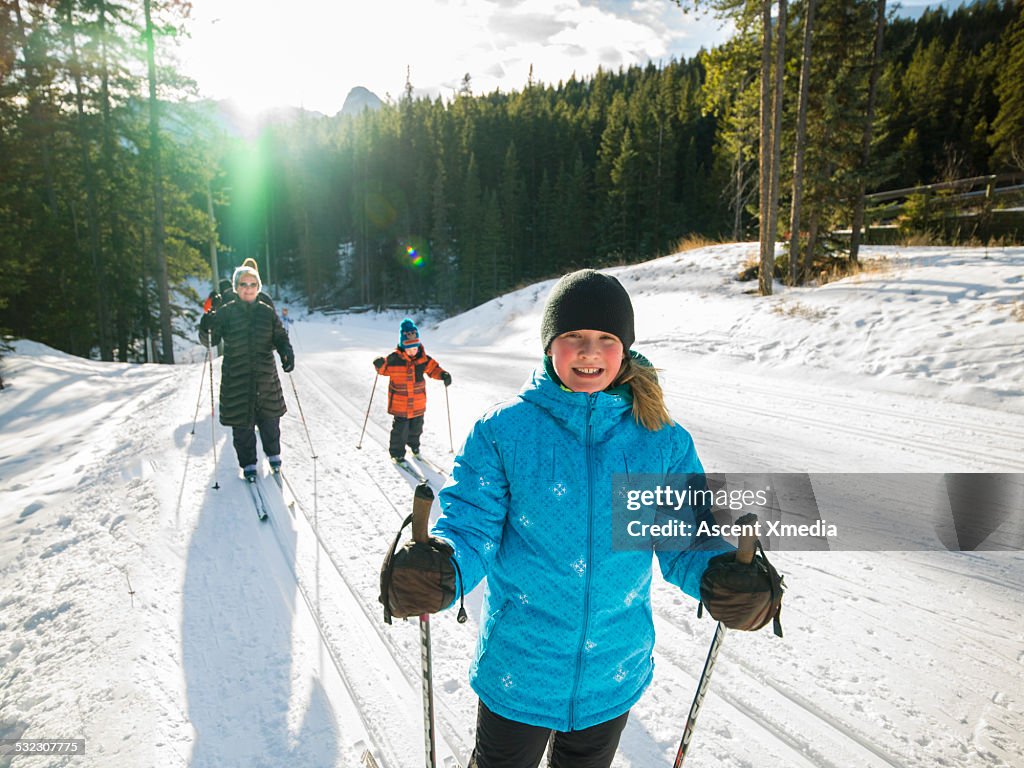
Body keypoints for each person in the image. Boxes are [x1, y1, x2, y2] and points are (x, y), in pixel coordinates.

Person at [385, 270, 748, 768]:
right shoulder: (504, 431)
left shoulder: (660, 440)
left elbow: (684, 537)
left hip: (612, 668)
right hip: (521, 664)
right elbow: (472, 527)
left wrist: (726, 575)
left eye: (606, 339)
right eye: (573, 337)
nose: (589, 352)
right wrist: (443, 568)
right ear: (549, 345)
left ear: (625, 350)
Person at [198, 263, 294, 480]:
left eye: (253, 284)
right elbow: (209, 341)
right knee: (242, 426)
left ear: (258, 287)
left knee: (270, 422)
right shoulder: (226, 312)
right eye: (243, 284)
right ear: (236, 287)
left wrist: (286, 351)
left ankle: (274, 456)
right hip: (236, 378)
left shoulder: (266, 312)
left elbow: (280, 336)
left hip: (265, 376)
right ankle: (248, 464)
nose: (248, 288)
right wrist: (206, 325)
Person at [373, 318, 451, 463]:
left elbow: (433, 369)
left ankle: (414, 446)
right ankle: (397, 453)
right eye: (408, 349)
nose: (412, 352)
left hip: (418, 404)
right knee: (399, 431)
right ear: (402, 347)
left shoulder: (423, 359)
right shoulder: (394, 359)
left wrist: (443, 375)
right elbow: (383, 370)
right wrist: (379, 364)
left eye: (414, 348)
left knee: (416, 429)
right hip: (400, 404)